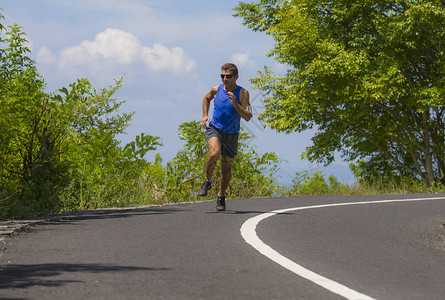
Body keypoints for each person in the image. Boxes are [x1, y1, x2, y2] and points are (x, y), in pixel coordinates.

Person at [197, 63, 252, 211]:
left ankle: (221, 196)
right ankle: (207, 181)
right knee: (214, 152)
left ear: (236, 77)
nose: (224, 79)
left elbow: (247, 117)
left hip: (232, 134)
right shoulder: (217, 89)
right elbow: (206, 98)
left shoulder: (242, 93)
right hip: (215, 128)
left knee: (226, 169)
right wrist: (204, 115)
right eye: (222, 76)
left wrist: (235, 103)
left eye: (228, 76)